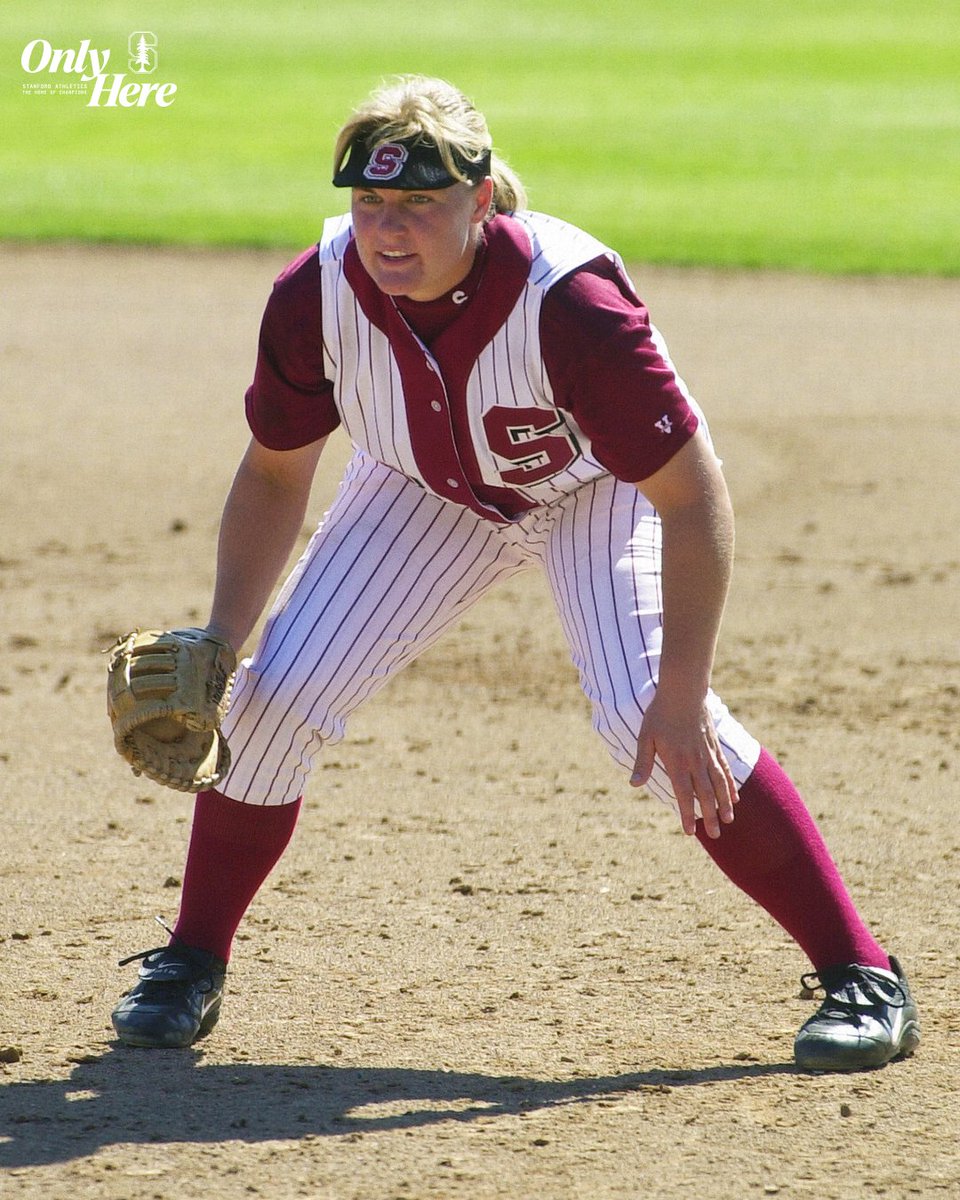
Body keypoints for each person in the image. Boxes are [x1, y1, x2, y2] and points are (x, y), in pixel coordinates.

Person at [111, 75, 919, 1072]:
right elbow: (277, 472)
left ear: (483, 201)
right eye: (371, 205)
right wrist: (225, 641)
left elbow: (691, 495)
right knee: (271, 698)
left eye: (420, 206)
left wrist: (683, 691)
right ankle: (190, 964)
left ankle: (862, 974)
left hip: (596, 492)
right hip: (419, 489)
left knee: (647, 717)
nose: (389, 230)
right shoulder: (313, 295)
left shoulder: (572, 306)